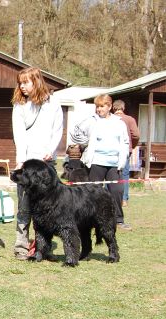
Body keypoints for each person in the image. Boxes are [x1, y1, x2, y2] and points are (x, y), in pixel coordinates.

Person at [11, 67, 63, 261]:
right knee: (24, 207)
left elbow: (57, 129)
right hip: (27, 164)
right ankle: (21, 247)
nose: (22, 86)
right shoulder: (19, 105)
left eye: (26, 82)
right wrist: (20, 160)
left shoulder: (53, 104)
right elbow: (19, 135)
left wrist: (51, 149)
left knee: (47, 208)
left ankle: (43, 248)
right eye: (20, 83)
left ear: (36, 81)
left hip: (47, 163)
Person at [70, 94, 130, 230]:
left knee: (117, 191)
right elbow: (75, 132)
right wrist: (84, 142)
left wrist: (123, 158)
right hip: (96, 161)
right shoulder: (91, 121)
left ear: (109, 107)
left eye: (102, 106)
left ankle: (118, 220)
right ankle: (90, 219)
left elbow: (125, 142)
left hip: (114, 163)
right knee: (93, 192)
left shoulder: (119, 123)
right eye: (97, 106)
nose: (99, 109)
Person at [112, 100, 140, 207]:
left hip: (112, 151)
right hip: (125, 150)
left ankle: (111, 197)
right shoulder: (129, 119)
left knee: (111, 175)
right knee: (125, 175)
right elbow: (136, 135)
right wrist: (132, 146)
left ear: (113, 108)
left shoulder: (109, 119)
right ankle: (124, 199)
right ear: (123, 108)